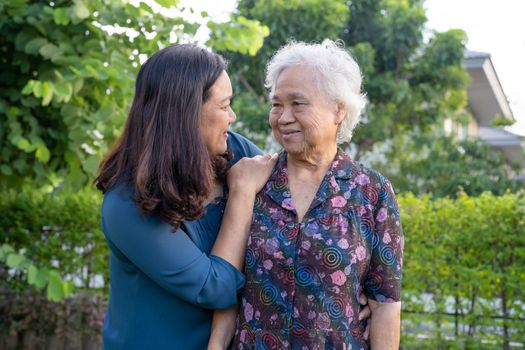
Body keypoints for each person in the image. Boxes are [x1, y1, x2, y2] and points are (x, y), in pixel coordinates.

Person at [209, 40, 404, 350]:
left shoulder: (372, 192)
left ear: (338, 109)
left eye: (297, 103)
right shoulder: (254, 183)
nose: (283, 117)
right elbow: (229, 288)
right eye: (276, 104)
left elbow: (385, 305)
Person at [94, 44, 278, 349]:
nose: (232, 117)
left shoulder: (233, 151)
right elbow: (214, 288)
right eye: (224, 105)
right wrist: (242, 195)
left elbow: (297, 205)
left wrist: (355, 287)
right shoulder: (127, 204)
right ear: (186, 112)